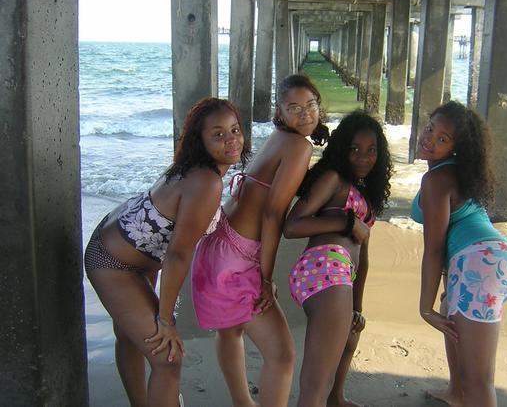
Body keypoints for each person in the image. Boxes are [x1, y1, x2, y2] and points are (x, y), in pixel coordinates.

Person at [84, 97, 249, 407]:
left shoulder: (198, 169)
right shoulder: (206, 180)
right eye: (218, 134)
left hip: (130, 247)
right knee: (168, 357)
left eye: (235, 130)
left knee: (132, 339)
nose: (231, 139)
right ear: (200, 141)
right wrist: (166, 320)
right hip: (113, 262)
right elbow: (177, 255)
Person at [191, 74, 329, 407]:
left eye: (310, 105)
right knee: (282, 355)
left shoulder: (278, 137)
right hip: (235, 257)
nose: (305, 114)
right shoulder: (299, 146)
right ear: (280, 112)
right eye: (294, 108)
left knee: (231, 330)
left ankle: (243, 402)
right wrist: (265, 279)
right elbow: (272, 214)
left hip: (216, 244)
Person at [411, 101, 507, 407]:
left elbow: (435, 249)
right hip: (496, 257)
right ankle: (456, 393)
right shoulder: (458, 174)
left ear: (456, 148)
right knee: (450, 308)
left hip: (479, 265)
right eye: (430, 129)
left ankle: (466, 392)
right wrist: (444, 295)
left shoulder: (436, 180)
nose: (429, 139)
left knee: (479, 380)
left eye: (443, 139)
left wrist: (425, 309)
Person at [283, 111, 393, 407]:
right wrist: (346, 222)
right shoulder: (334, 179)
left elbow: (363, 259)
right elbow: (292, 226)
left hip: (341, 274)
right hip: (325, 269)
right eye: (354, 149)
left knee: (349, 339)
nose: (363, 157)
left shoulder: (366, 195)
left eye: (371, 150)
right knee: (315, 384)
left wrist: (357, 306)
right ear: (342, 148)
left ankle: (336, 399)